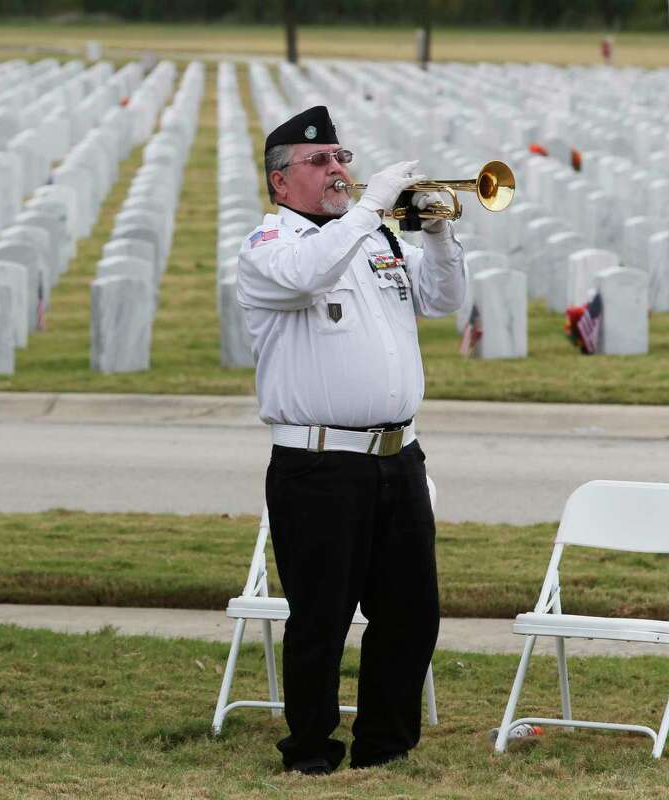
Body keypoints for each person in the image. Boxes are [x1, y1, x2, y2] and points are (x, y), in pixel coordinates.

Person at [236, 106, 465, 774]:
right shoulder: (268, 248)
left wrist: (441, 239)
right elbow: (309, 273)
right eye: (318, 162)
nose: (337, 171)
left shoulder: (371, 239)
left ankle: (385, 746)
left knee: (411, 613)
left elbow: (442, 301)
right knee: (322, 618)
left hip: (398, 457)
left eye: (342, 159)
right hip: (319, 464)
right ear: (280, 183)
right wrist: (370, 206)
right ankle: (310, 749)